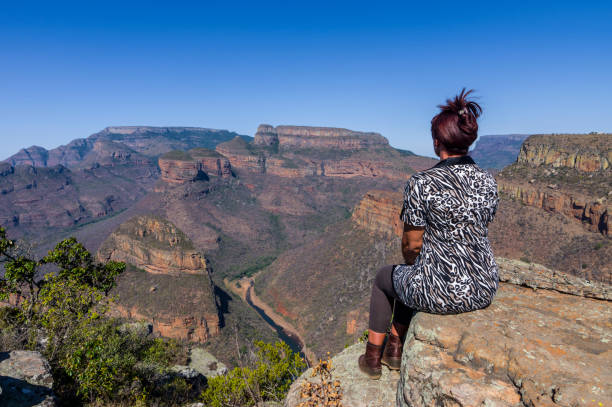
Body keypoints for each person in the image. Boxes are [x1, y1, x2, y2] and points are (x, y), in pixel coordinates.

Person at [358, 89, 499, 379]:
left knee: (388, 278)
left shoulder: (422, 182)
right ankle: (395, 349)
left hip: (440, 292)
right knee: (414, 274)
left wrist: (416, 260)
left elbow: (412, 243)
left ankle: (372, 358)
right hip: (483, 287)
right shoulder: (488, 179)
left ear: (437, 142)